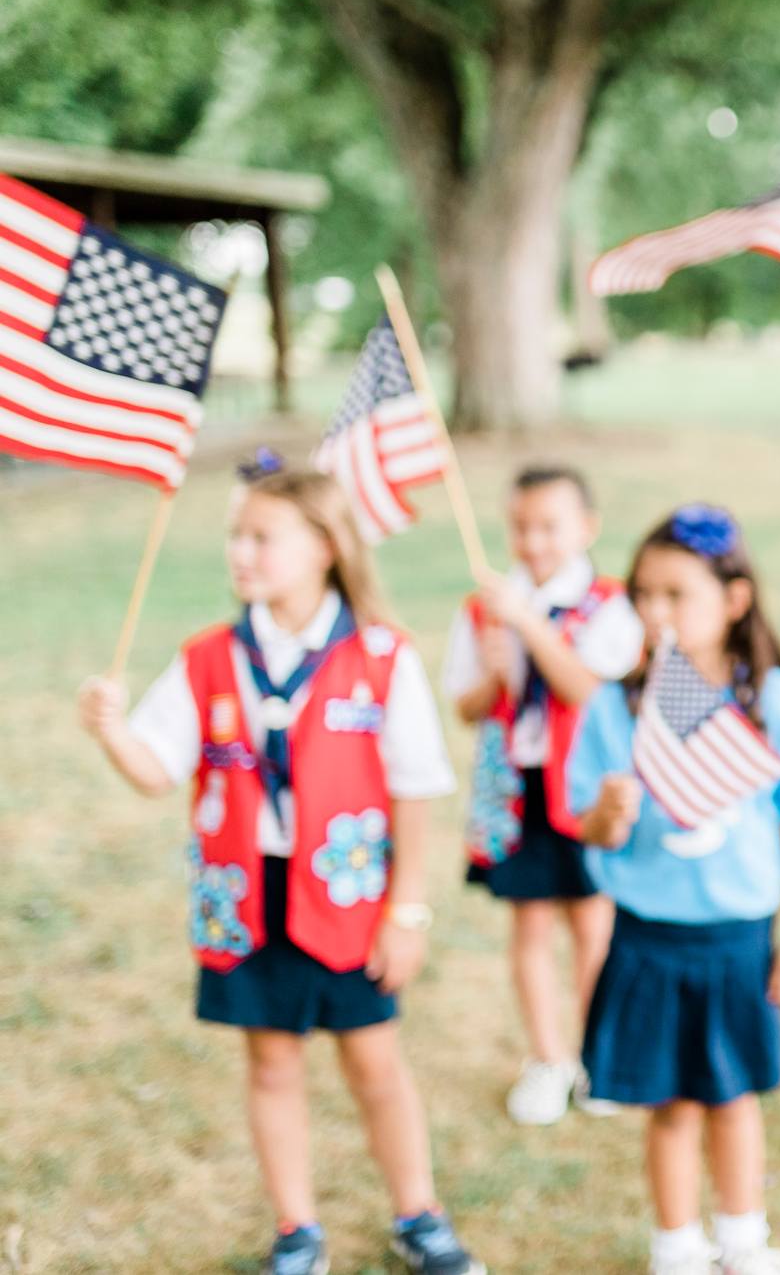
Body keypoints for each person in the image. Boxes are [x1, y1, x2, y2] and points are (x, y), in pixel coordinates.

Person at [77, 466, 484, 1275]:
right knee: (271, 1062)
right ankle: (297, 1229)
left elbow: (415, 790)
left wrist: (406, 911)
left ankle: (419, 1213)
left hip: (348, 894)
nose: (242, 551)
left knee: (374, 1061)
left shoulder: (381, 656)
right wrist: (112, 731)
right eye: (237, 534)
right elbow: (157, 769)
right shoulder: (209, 657)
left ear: (326, 547)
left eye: (263, 537)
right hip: (248, 895)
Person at [569, 505, 780, 1275]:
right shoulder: (616, 705)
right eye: (643, 593)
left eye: (676, 593)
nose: (655, 610)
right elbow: (589, 826)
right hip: (650, 936)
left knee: (733, 1094)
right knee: (670, 1102)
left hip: (738, 936)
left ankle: (742, 1239)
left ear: (734, 599)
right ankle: (677, 1246)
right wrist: (606, 814)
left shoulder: (772, 700)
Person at [444, 464, 642, 1125]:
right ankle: (547, 1057)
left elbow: (589, 692)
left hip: (582, 788)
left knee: (593, 923)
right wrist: (494, 675)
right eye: (520, 526)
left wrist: (529, 626)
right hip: (516, 787)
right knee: (529, 924)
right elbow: (466, 708)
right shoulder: (484, 609)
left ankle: (598, 1054)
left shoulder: (609, 605)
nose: (532, 542)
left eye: (549, 527)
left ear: (586, 528)